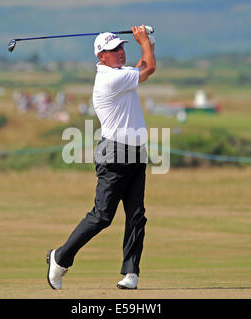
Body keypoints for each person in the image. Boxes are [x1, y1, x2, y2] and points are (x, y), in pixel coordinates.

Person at [47, 25, 156, 290]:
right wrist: (144, 40)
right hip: (114, 153)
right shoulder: (110, 79)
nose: (119, 52)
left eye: (121, 47)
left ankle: (131, 273)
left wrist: (148, 42)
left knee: (136, 215)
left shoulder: (120, 73)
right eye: (112, 50)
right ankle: (59, 258)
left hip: (135, 151)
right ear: (101, 57)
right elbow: (149, 68)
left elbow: (143, 64)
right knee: (102, 216)